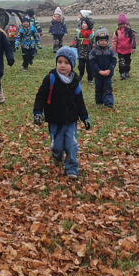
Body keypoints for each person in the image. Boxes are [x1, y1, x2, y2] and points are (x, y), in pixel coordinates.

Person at [33, 47, 90, 179]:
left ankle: (72, 168)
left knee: (71, 145)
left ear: (72, 65)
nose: (62, 65)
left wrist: (84, 117)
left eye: (66, 62)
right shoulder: (50, 79)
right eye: (60, 62)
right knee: (57, 146)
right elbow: (41, 96)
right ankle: (57, 157)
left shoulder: (75, 81)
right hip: (54, 118)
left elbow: (80, 101)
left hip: (70, 120)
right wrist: (37, 112)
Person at [89, 27, 117, 108]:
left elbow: (114, 61)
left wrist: (109, 70)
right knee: (99, 88)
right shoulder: (93, 51)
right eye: (101, 40)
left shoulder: (110, 51)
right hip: (98, 74)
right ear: (97, 41)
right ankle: (99, 101)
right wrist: (99, 71)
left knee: (107, 88)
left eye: (105, 40)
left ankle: (109, 103)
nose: (103, 42)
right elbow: (92, 62)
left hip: (108, 74)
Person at [111, 13, 136, 80]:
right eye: (120, 24)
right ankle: (122, 73)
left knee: (127, 62)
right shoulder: (117, 32)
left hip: (128, 50)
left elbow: (133, 39)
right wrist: (114, 50)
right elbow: (114, 41)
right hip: (120, 51)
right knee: (121, 62)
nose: (122, 26)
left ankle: (127, 71)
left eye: (123, 24)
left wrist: (133, 47)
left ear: (126, 23)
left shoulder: (129, 31)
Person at [70, 17, 94, 84]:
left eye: (85, 23)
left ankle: (90, 79)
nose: (83, 25)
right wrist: (72, 46)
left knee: (89, 68)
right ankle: (80, 75)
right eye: (82, 23)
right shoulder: (79, 34)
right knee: (81, 66)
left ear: (89, 25)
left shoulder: (92, 35)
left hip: (90, 55)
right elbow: (75, 41)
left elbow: (94, 44)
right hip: (81, 54)